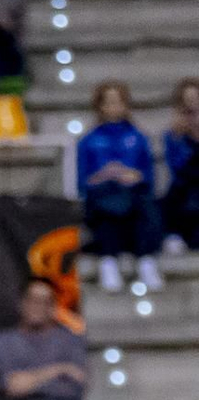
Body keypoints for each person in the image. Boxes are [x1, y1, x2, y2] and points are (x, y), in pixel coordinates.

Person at [77, 81, 164, 294]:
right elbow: (82, 184)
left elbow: (149, 179)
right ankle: (108, 260)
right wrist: (103, 176)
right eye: (108, 102)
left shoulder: (138, 137)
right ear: (99, 106)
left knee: (138, 199)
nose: (113, 107)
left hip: (133, 201)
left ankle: (145, 259)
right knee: (107, 202)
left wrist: (131, 176)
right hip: (103, 200)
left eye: (118, 102)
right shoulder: (88, 141)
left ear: (126, 105)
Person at [161, 78, 199, 255]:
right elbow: (177, 168)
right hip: (186, 187)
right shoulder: (174, 135)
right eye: (187, 102)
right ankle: (175, 235)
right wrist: (183, 137)